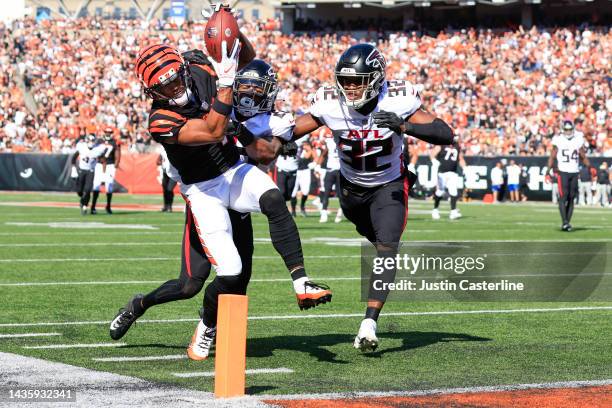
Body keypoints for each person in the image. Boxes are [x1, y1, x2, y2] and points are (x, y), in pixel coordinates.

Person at [110, 36, 331, 360]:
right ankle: (140, 305)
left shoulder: (200, 68)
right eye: (163, 86)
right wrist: (227, 83)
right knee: (195, 283)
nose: (172, 89)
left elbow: (248, 59)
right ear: (151, 92)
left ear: (184, 68)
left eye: (174, 79)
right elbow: (214, 130)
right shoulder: (160, 119)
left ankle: (301, 282)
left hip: (231, 171)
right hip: (202, 190)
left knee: (271, 203)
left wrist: (230, 29)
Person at [292, 43, 454, 351]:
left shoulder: (398, 99)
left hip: (389, 185)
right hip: (351, 190)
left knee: (386, 248)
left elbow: (446, 134)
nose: (350, 88)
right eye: (346, 81)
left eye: (358, 81)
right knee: (375, 237)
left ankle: (369, 323)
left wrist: (404, 126)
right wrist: (281, 143)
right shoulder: (329, 105)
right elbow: (289, 131)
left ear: (377, 79)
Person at [547, 120, 591, 231]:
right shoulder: (558, 139)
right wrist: (548, 170)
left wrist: (590, 167)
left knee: (571, 198)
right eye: (566, 129)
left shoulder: (578, 139)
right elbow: (552, 156)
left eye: (569, 129)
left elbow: (583, 155)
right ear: (563, 129)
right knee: (563, 196)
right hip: (563, 172)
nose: (568, 131)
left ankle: (567, 222)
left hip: (574, 172)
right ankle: (565, 222)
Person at [72, 134, 107, 215]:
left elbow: (103, 159)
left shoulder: (98, 149)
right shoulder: (81, 146)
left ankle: (84, 206)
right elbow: (74, 157)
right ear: (86, 141)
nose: (91, 142)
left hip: (91, 171)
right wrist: (73, 169)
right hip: (81, 170)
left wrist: (103, 173)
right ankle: (82, 201)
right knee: (79, 191)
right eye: (90, 140)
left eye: (92, 141)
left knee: (87, 190)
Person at [430, 141, 465, 219]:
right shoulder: (441, 144)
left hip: (453, 173)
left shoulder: (457, 145)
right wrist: (434, 161)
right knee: (440, 192)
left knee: (453, 191)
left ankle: (453, 211)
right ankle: (435, 209)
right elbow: (432, 154)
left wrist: (465, 168)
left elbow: (460, 158)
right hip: (442, 173)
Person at [91, 127, 121, 214]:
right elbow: (94, 152)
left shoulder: (115, 142)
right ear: (104, 132)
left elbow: (118, 153)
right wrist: (100, 159)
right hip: (100, 165)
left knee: (109, 186)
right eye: (106, 132)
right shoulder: (99, 141)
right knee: (96, 185)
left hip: (110, 165)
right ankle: (93, 206)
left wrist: (116, 163)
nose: (108, 133)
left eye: (110, 132)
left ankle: (108, 206)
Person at [317, 131, 343, 223]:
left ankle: (340, 213)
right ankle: (324, 213)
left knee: (340, 194)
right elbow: (322, 143)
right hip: (331, 169)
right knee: (326, 192)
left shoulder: (340, 141)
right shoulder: (330, 141)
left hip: (340, 170)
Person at [292, 140, 316, 216]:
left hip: (305, 171)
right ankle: (293, 211)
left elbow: (316, 159)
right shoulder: (299, 151)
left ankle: (302, 207)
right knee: (293, 191)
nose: (304, 146)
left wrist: (313, 164)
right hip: (296, 171)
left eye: (305, 145)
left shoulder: (311, 151)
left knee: (305, 191)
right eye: (303, 145)